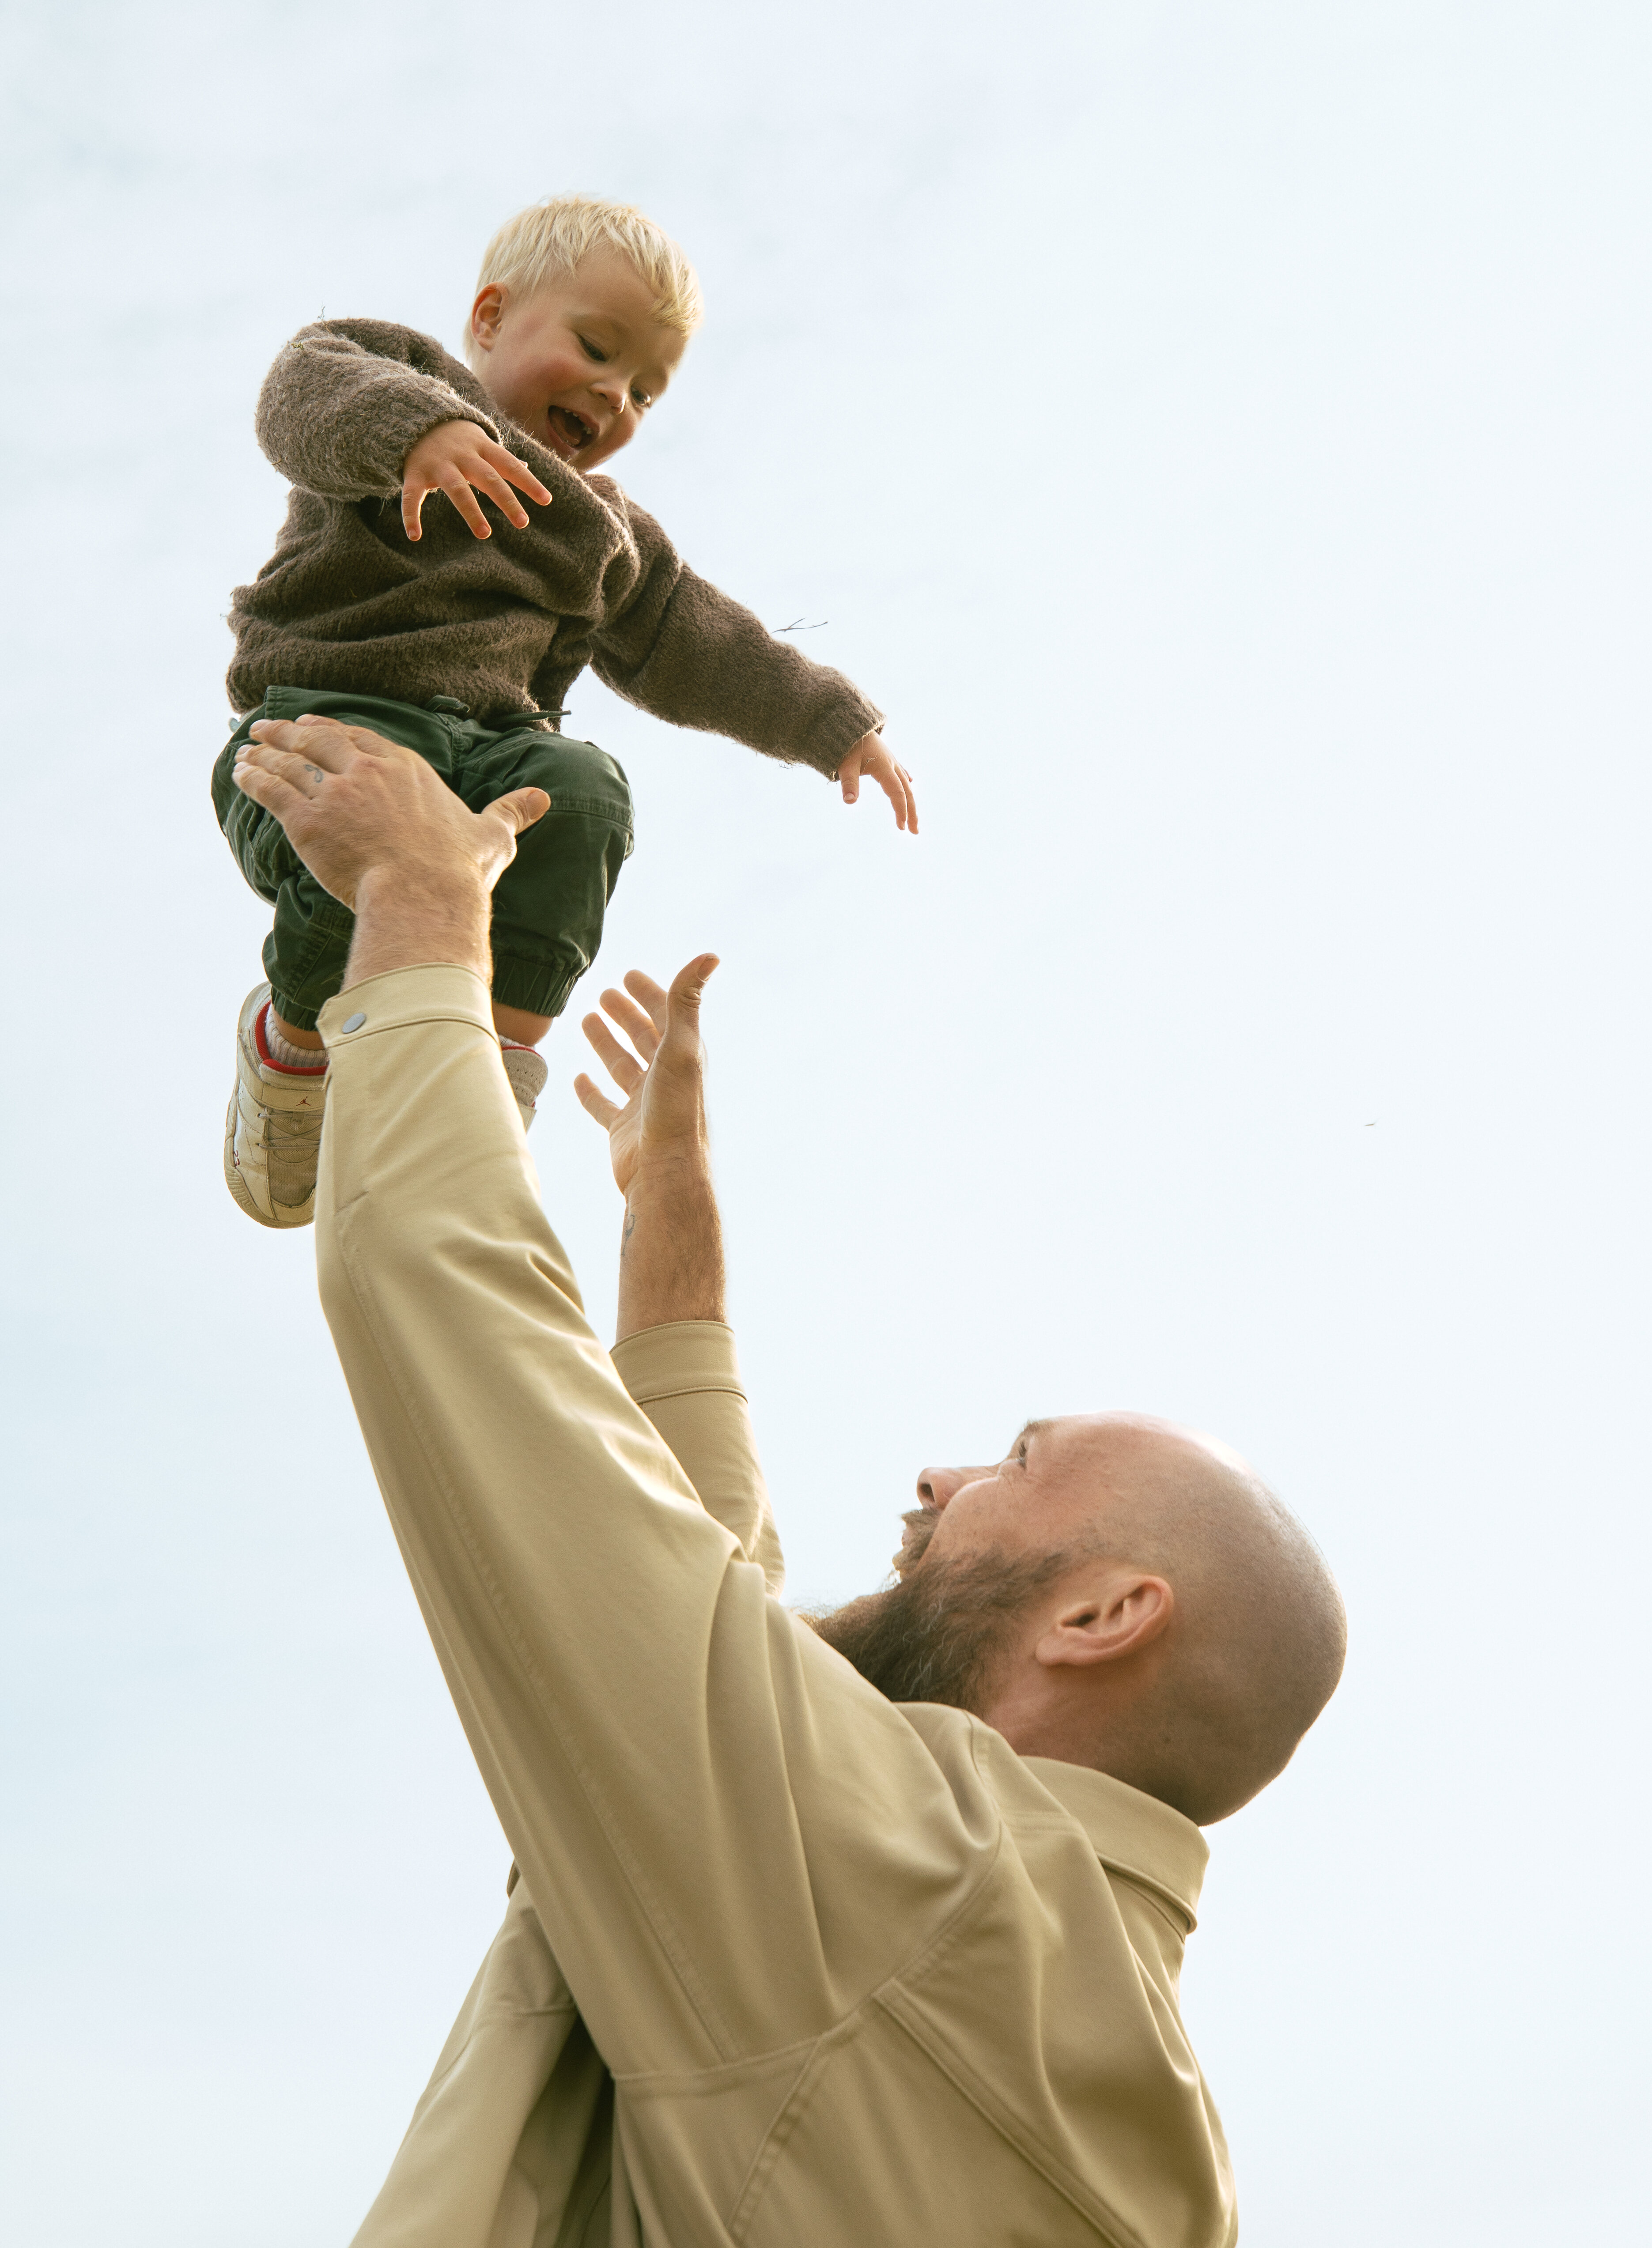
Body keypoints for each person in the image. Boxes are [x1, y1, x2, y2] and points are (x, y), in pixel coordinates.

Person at [228, 713, 1347, 2248]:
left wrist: (422, 916)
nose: (941, 1475)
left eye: (1018, 1463)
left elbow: (465, 1345)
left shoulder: (926, 1901)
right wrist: (668, 1232)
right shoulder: (1060, 2012)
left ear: (1104, 1613)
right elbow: (715, 1642)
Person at [214, 193, 916, 1231]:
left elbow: (697, 637)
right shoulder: (399, 377)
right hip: (325, 723)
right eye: (596, 348)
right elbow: (303, 391)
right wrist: (421, 432)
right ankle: (292, 1059)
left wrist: (825, 722)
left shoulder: (599, 532)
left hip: (492, 761)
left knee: (583, 793)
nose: (614, 394)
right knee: (365, 836)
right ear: (491, 318)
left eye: (643, 390)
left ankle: (489, 1074)